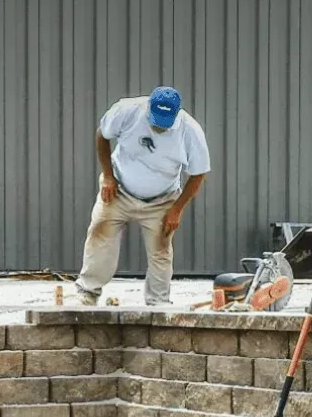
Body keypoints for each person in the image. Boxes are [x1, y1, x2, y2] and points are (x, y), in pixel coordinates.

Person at [74, 85, 211, 307]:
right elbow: (102, 134)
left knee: (161, 250)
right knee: (100, 235)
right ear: (149, 107)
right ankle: (88, 291)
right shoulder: (127, 111)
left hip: (162, 199)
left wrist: (176, 209)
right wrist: (108, 176)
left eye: (165, 121)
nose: (158, 126)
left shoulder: (190, 131)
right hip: (118, 189)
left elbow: (198, 173)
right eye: (155, 119)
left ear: (177, 114)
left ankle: (158, 302)